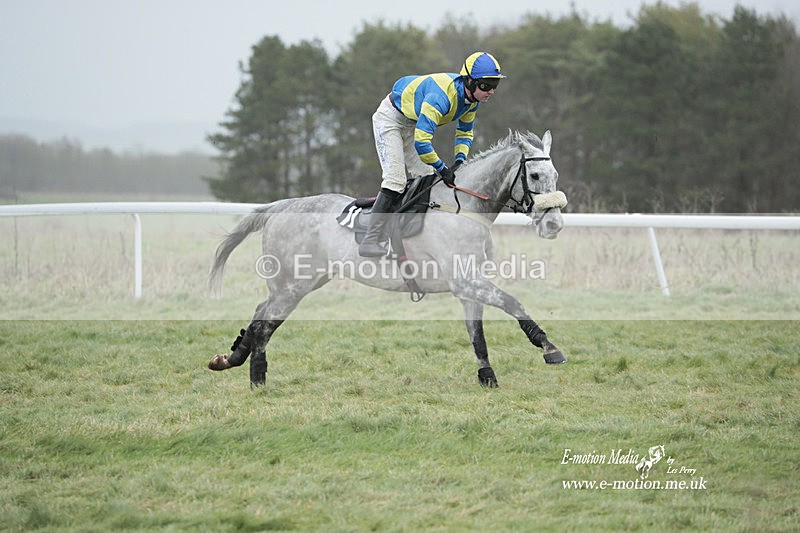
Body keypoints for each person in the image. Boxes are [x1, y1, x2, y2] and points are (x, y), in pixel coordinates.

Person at [358, 52, 506, 257]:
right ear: (470, 81)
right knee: (395, 179)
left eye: (494, 85)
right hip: (390, 119)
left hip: (411, 121)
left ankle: (410, 236)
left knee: (427, 178)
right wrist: (442, 168)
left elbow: (464, 132)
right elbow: (422, 143)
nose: (490, 91)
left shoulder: (472, 100)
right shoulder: (440, 97)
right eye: (485, 85)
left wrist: (460, 160)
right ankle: (370, 240)